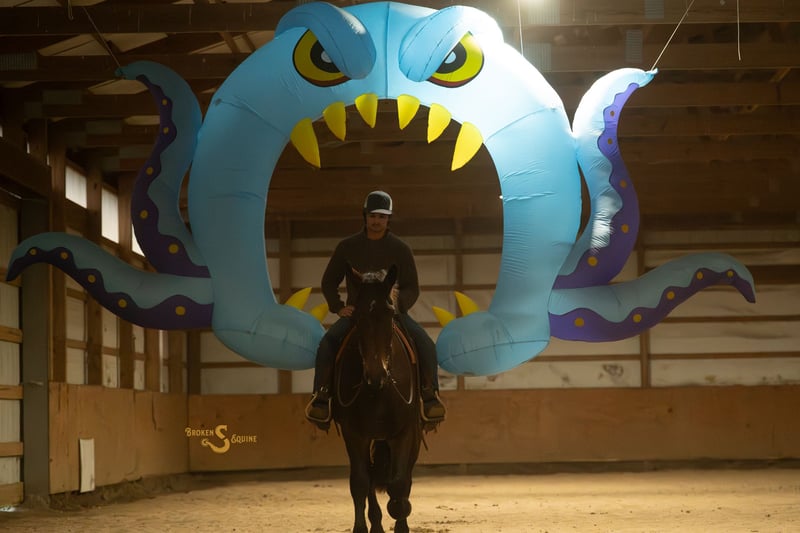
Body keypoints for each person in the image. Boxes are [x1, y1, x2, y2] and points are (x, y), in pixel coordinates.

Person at [305, 190, 447, 430]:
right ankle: (322, 397)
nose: (376, 221)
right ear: (365, 216)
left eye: (382, 216)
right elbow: (329, 282)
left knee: (425, 344)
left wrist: (396, 307)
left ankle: (429, 395)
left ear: (388, 219)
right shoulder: (347, 247)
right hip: (357, 315)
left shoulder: (400, 249)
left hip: (391, 314)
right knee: (328, 343)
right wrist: (339, 307)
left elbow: (412, 287)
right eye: (372, 215)